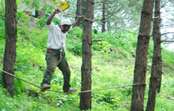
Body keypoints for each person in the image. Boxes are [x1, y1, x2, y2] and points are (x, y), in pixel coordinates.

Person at [40, 9, 76, 93]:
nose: (67, 30)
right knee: (51, 68)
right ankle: (44, 84)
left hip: (61, 54)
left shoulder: (66, 30)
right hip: (52, 53)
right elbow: (48, 22)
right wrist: (54, 13)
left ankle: (66, 89)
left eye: (68, 28)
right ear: (62, 25)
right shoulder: (53, 28)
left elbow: (73, 25)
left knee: (67, 72)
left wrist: (80, 19)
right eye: (66, 28)